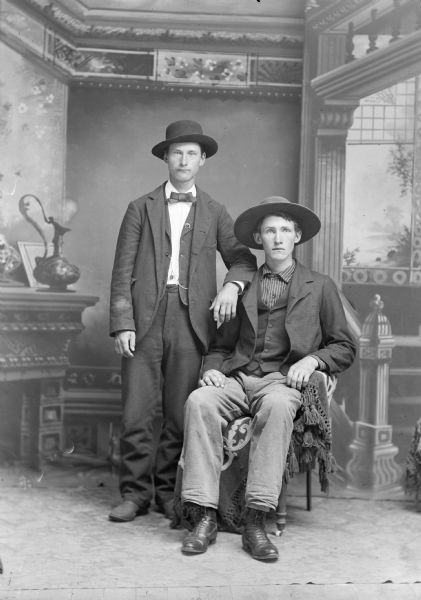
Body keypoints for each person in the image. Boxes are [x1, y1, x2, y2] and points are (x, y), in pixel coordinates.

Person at [179, 196, 356, 561]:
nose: (277, 238)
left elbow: (344, 346)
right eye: (270, 230)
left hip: (282, 383)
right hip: (240, 378)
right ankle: (203, 516)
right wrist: (212, 369)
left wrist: (313, 360)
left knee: (277, 405)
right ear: (259, 238)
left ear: (297, 237)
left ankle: (256, 520)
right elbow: (220, 344)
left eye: (285, 230)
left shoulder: (319, 286)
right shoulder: (243, 285)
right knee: (199, 400)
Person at [109, 120, 257, 523]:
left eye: (192, 153)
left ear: (203, 160)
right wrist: (123, 321)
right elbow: (122, 270)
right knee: (136, 412)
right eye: (177, 152)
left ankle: (164, 492)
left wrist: (232, 288)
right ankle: (134, 494)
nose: (184, 159)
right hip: (144, 319)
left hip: (193, 323)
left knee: (179, 413)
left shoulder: (214, 211)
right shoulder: (140, 207)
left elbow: (243, 260)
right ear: (166, 158)